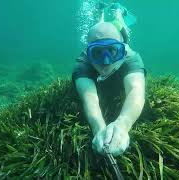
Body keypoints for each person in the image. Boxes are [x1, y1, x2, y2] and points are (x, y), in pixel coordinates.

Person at [72, 4, 146, 157]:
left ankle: (118, 12)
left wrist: (123, 124)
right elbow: (89, 99)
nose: (106, 61)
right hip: (100, 39)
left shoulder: (130, 57)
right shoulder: (83, 64)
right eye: (97, 53)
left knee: (122, 28)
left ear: (122, 49)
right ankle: (100, 13)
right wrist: (99, 128)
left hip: (121, 35)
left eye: (113, 51)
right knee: (98, 27)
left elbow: (136, 90)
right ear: (88, 53)